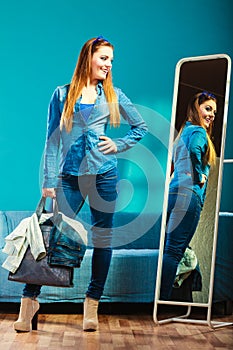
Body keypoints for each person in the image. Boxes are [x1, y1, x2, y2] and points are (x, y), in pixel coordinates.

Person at [14, 36, 148, 332]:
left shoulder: (113, 96)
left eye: (111, 60)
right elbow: (51, 141)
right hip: (68, 178)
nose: (108, 65)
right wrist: (48, 180)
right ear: (88, 57)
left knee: (103, 240)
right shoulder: (61, 95)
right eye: (103, 58)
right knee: (52, 239)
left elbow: (141, 127)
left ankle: (92, 302)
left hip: (105, 176)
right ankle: (30, 301)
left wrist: (120, 144)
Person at [160, 91, 217, 300]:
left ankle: (162, 300)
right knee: (175, 252)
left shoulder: (183, 133)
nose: (211, 115)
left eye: (214, 112)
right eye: (208, 109)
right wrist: (199, 174)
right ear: (196, 108)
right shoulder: (199, 133)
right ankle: (164, 300)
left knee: (170, 250)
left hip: (174, 192)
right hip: (189, 195)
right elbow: (194, 151)